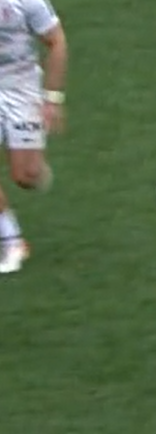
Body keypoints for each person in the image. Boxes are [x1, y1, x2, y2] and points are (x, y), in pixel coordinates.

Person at [0, 0, 67, 274]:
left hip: (21, 90)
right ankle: (11, 239)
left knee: (26, 176)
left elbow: (56, 41)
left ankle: (35, 168)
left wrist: (52, 99)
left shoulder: (26, 2)